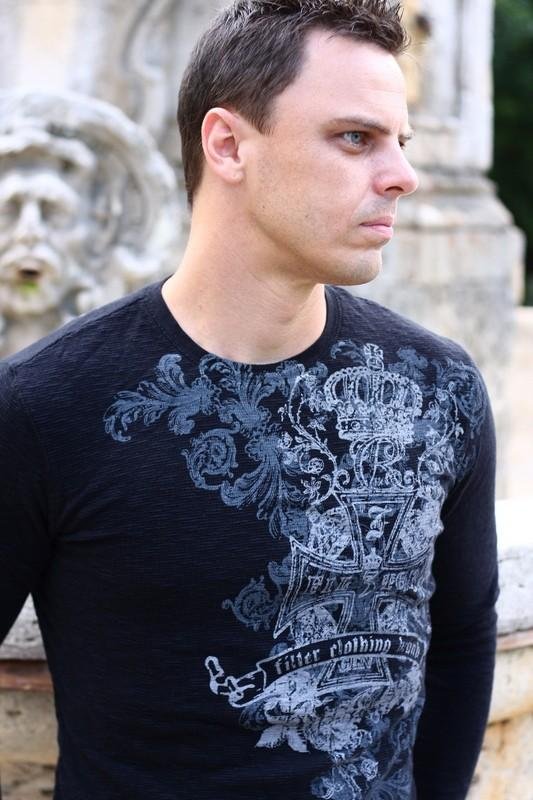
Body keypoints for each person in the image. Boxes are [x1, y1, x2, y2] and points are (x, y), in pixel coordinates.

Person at [0, 1, 499, 798]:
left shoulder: (438, 388)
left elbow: (463, 641)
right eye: (354, 138)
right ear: (228, 144)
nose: (401, 175)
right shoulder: (47, 405)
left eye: (398, 142)